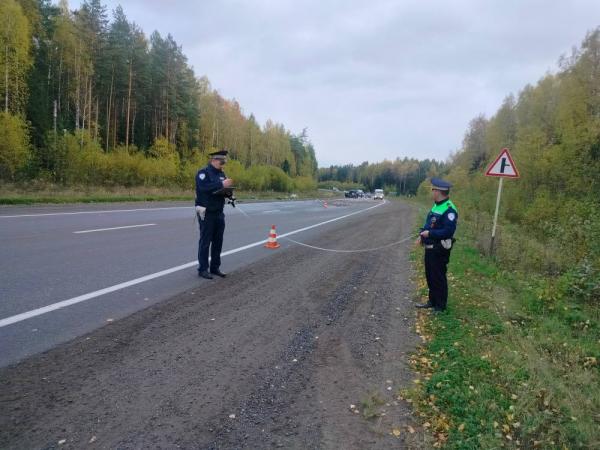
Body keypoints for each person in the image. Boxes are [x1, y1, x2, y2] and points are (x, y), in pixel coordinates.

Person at [415, 177, 458, 312]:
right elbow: (430, 224)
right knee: (430, 276)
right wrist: (422, 235)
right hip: (430, 249)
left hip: (439, 249)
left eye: (433, 189)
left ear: (439, 191)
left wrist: (430, 234)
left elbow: (448, 231)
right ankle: (432, 301)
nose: (432, 192)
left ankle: (440, 306)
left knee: (438, 277)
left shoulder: (449, 209)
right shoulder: (436, 205)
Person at [195, 150, 234, 279]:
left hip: (218, 212)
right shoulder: (203, 173)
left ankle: (215, 267)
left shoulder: (222, 174)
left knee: (218, 242)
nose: (223, 165)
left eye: (224, 162)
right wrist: (222, 184)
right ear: (214, 160)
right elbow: (204, 188)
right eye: (221, 162)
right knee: (205, 242)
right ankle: (203, 269)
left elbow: (221, 191)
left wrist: (230, 194)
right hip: (206, 213)